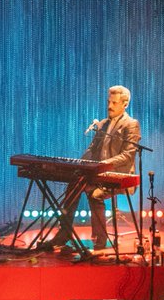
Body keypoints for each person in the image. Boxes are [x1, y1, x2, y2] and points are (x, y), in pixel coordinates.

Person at [46, 85, 141, 253]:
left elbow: (128, 155)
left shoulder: (131, 124)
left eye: (114, 102)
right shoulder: (103, 124)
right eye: (108, 101)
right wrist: (81, 163)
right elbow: (91, 149)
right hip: (98, 173)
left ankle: (100, 240)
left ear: (125, 104)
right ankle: (65, 233)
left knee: (95, 194)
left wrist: (102, 165)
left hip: (119, 175)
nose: (109, 106)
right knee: (74, 185)